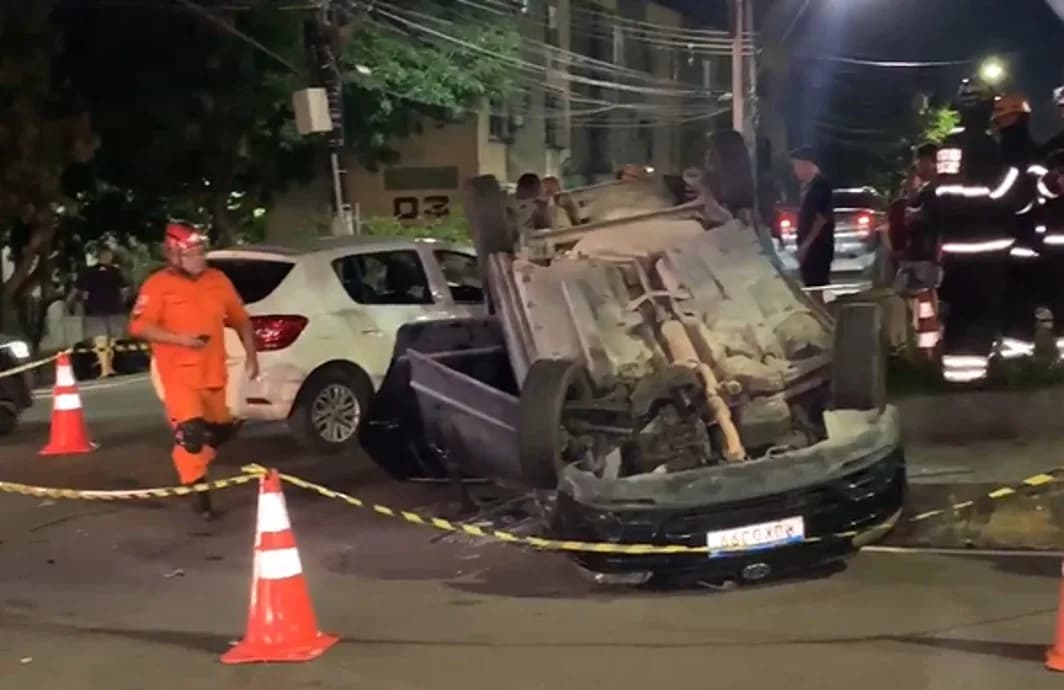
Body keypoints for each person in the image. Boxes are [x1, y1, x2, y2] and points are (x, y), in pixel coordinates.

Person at [129, 222, 258, 519]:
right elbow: (139, 326)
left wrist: (252, 354)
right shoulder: (157, 285)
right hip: (178, 375)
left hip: (214, 372)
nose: (198, 258)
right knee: (191, 432)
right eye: (191, 253)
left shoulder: (218, 280)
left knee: (224, 428)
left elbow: (241, 318)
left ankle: (189, 458)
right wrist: (180, 340)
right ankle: (199, 492)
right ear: (173, 254)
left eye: (201, 252)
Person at [74, 248, 130, 378]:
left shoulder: (114, 272)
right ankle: (105, 369)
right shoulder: (108, 272)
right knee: (104, 341)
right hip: (101, 311)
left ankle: (108, 368)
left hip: (105, 310)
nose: (108, 258)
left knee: (109, 342)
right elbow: (124, 290)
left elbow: (80, 291)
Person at [789, 146, 835, 303]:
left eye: (796, 166)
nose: (795, 171)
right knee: (811, 287)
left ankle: (822, 321)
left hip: (818, 246)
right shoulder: (809, 187)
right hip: (811, 245)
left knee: (815, 289)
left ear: (807, 164)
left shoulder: (821, 186)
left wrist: (806, 244)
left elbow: (821, 218)